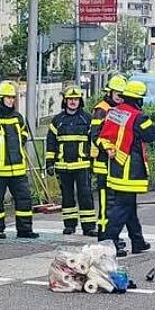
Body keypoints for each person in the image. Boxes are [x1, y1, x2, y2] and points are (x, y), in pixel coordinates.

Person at [96, 79, 155, 258]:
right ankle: (107, 242)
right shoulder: (138, 116)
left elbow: (102, 137)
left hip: (116, 166)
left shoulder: (114, 112)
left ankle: (137, 241)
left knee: (129, 205)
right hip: (130, 169)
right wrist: (154, 124)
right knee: (122, 207)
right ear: (139, 99)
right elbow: (152, 134)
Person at [0, 81, 38, 239]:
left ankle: (25, 230)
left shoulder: (18, 117)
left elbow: (24, 133)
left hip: (18, 168)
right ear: (0, 98)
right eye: (8, 97)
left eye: (13, 97)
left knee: (24, 199)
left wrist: (21, 141)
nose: (11, 100)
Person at [46, 87, 97, 236]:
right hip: (62, 166)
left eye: (76, 99)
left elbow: (94, 141)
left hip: (83, 165)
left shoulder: (87, 119)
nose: (73, 102)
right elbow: (51, 143)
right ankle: (69, 225)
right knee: (67, 197)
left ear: (80, 101)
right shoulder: (58, 121)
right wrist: (49, 162)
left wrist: (94, 162)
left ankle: (89, 227)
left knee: (85, 196)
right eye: (70, 99)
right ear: (65, 101)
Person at [89, 75, 125, 237]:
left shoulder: (122, 109)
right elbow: (95, 135)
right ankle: (104, 234)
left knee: (116, 202)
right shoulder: (102, 109)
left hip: (117, 163)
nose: (120, 98)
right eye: (117, 94)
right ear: (110, 93)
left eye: (122, 95)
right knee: (106, 201)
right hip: (104, 163)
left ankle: (112, 234)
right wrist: (107, 148)